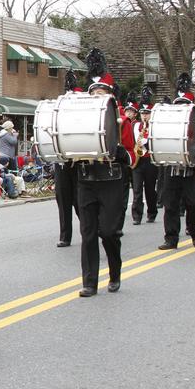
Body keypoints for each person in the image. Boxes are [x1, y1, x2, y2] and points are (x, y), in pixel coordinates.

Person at [74, 48, 134, 297]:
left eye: (102, 93)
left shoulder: (123, 122)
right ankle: (89, 282)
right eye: (94, 93)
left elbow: (132, 157)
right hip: (86, 178)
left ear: (111, 97)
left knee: (108, 232)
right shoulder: (78, 120)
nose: (97, 97)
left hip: (112, 179)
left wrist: (117, 145)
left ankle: (115, 272)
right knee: (88, 233)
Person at [157, 76, 195, 250]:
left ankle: (194, 232)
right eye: (179, 104)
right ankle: (171, 238)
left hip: (190, 170)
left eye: (185, 105)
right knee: (170, 205)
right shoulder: (167, 124)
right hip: (171, 169)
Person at [54, 70, 81, 248]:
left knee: (80, 200)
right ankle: (65, 235)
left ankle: (89, 228)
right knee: (63, 199)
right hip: (62, 161)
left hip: (79, 161)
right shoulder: (58, 112)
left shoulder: (81, 115)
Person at [128, 89, 158, 225]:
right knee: (137, 189)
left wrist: (148, 141)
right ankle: (137, 215)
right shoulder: (135, 125)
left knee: (150, 188)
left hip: (149, 160)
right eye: (142, 113)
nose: (144, 116)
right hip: (138, 161)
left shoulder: (154, 126)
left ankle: (152, 212)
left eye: (147, 113)